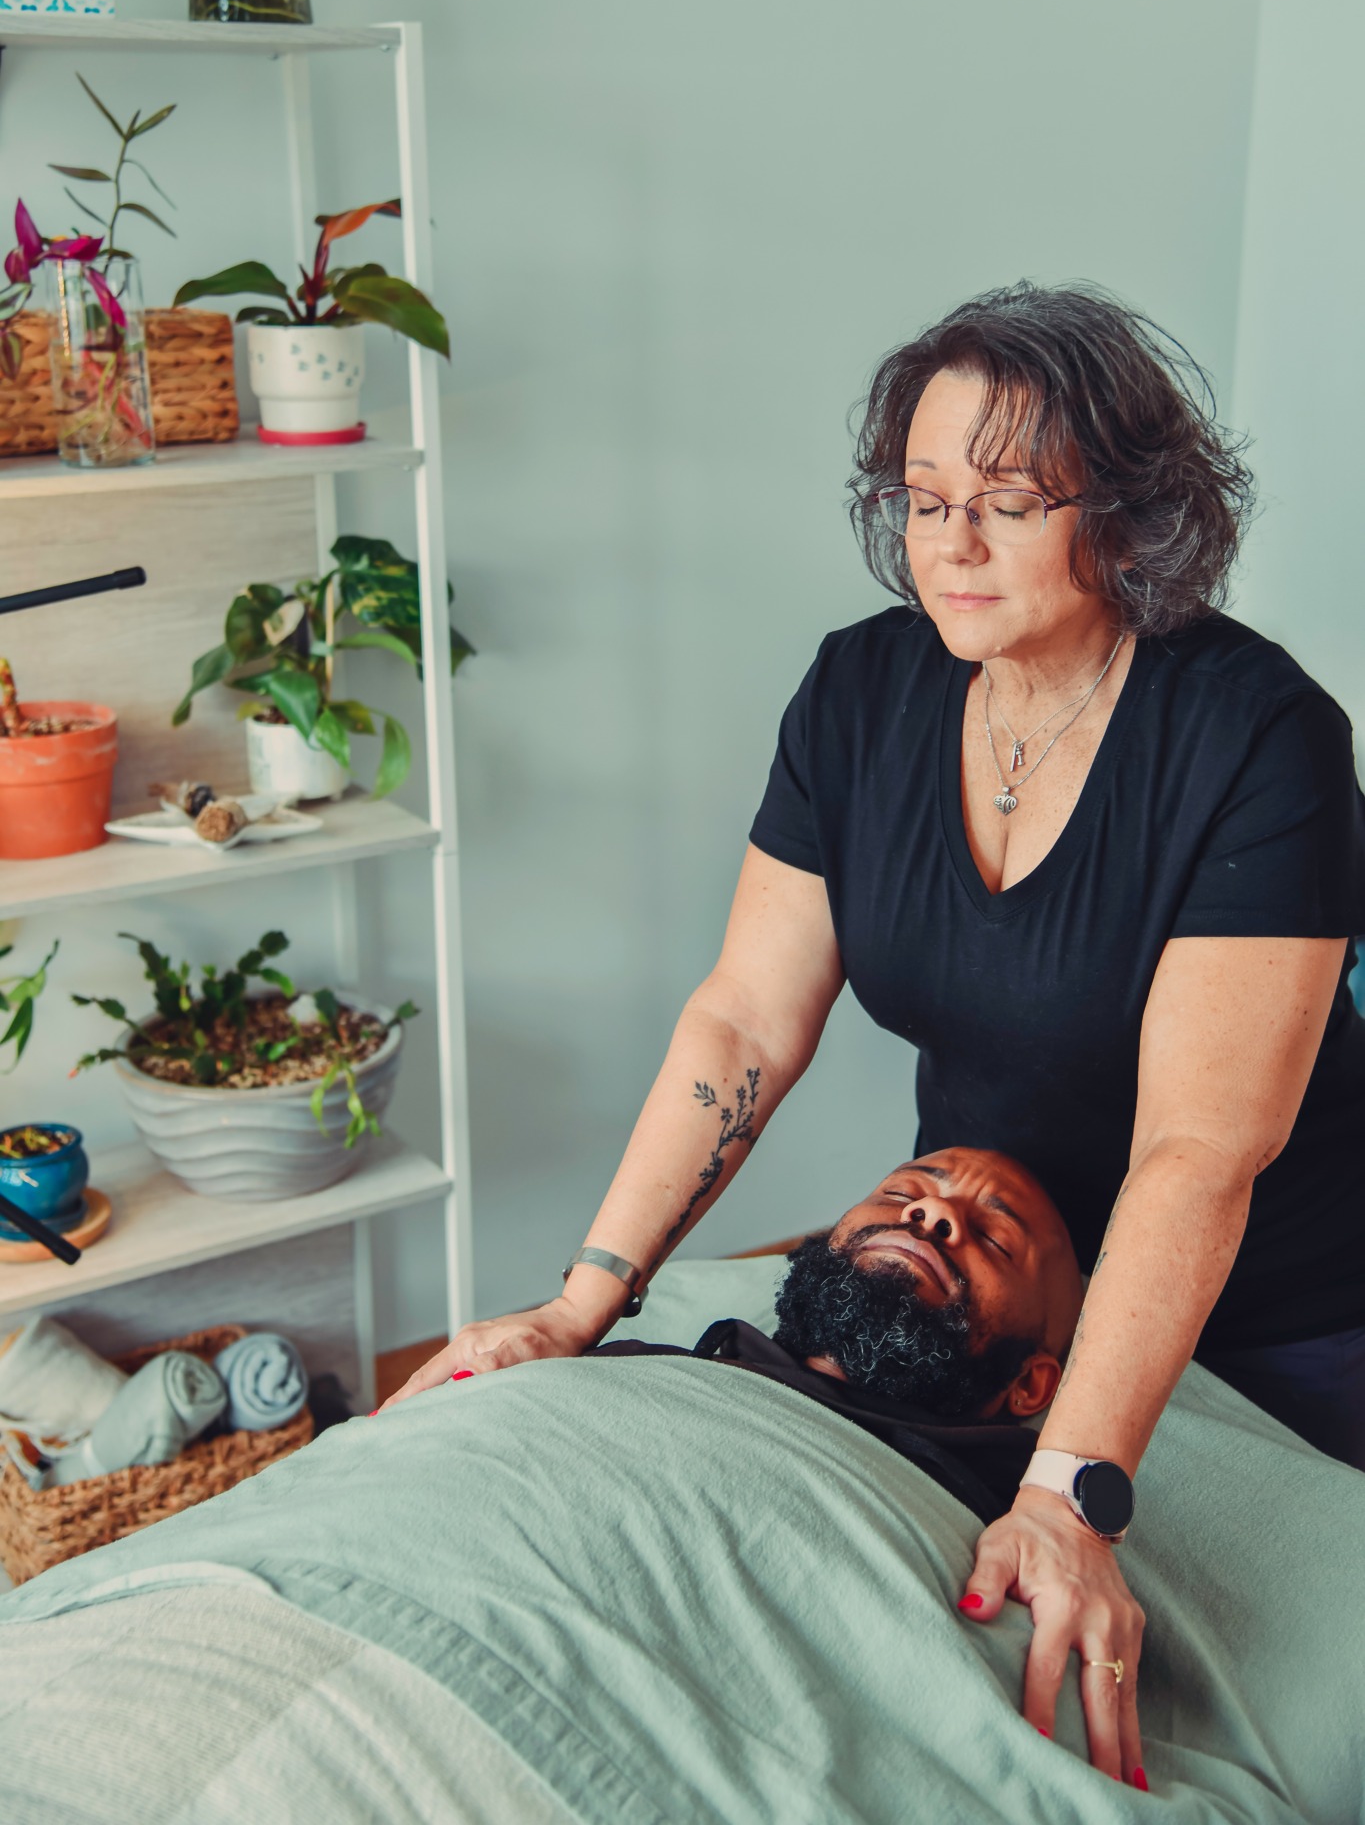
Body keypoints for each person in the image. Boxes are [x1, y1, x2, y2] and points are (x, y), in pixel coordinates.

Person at [389, 282, 1365, 1786]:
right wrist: (581, 1303)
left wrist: (1075, 1491)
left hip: (1276, 1311)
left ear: (1126, 515)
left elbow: (1197, 1150)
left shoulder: (1254, 735)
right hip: (992, 1298)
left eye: (1008, 504)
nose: (951, 545)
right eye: (922, 499)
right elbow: (744, 1019)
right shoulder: (863, 689)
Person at [594, 1146, 1084, 1526]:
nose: (931, 1209)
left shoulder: (1002, 1548)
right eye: (900, 1194)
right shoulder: (626, 1371)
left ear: (1029, 1385)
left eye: (997, 1240)